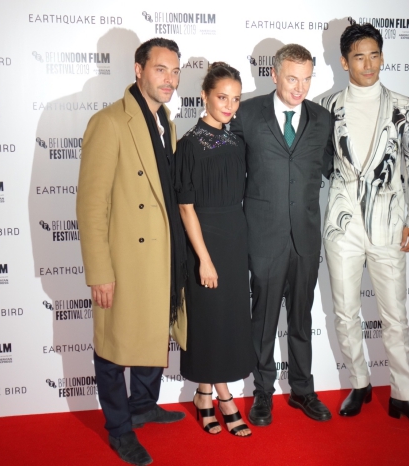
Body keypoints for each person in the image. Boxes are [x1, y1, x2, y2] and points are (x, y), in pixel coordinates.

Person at [320, 23, 409, 429]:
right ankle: (360, 384)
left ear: (383, 57)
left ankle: (404, 395)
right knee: (344, 311)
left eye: (374, 55)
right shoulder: (325, 106)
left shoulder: (403, 105)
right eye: (359, 56)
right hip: (342, 225)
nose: (368, 63)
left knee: (395, 316)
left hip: (389, 223)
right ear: (344, 62)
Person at [76, 38, 187, 466]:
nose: (169, 79)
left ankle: (142, 404)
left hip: (162, 255)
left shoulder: (166, 123)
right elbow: (91, 205)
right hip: (125, 260)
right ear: (138, 69)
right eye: (161, 69)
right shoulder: (109, 122)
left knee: (153, 328)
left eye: (174, 71)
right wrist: (99, 271)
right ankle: (119, 428)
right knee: (112, 345)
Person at [231, 44, 333, 425]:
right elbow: (230, 169)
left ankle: (303, 390)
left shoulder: (322, 119)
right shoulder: (247, 114)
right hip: (264, 237)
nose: (299, 88)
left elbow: (329, 168)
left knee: (301, 319)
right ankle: (262, 393)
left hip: (305, 238)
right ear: (273, 75)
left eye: (306, 79)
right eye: (292, 78)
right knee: (263, 321)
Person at [175, 62, 255, 437]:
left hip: (235, 238)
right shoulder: (189, 145)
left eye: (235, 99)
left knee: (227, 321)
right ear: (204, 96)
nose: (229, 106)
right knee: (208, 320)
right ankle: (224, 398)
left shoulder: (237, 140)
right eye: (222, 97)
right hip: (203, 241)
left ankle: (203, 393)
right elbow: (185, 207)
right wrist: (204, 259)